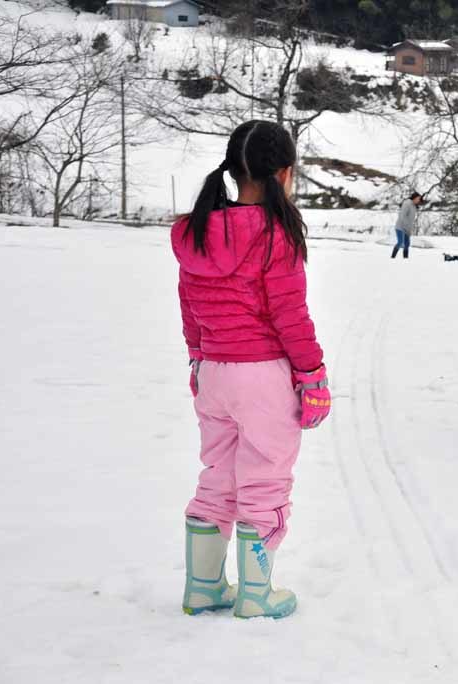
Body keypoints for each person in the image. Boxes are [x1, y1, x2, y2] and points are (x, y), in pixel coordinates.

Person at [171, 120, 330, 619]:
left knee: (217, 476)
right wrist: (313, 375)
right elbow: (289, 314)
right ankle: (256, 595)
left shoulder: (198, 230)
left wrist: (198, 358)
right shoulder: (275, 234)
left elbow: (189, 304)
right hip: (262, 375)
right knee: (264, 480)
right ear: (285, 173)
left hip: (214, 370)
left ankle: (203, 587)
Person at [391, 191, 423, 259]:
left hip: (407, 228)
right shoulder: (407, 203)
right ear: (414, 198)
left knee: (407, 244)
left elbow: (410, 219)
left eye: (419, 199)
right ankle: (392, 257)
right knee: (400, 242)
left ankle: (405, 259)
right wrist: (406, 227)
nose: (419, 200)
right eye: (418, 198)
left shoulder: (414, 206)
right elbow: (403, 216)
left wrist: (409, 229)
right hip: (400, 226)